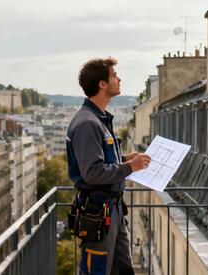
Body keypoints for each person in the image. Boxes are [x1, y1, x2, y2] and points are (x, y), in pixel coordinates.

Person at [66, 57, 151, 275]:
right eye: (114, 75)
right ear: (102, 84)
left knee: (121, 270)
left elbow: (101, 160)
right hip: (99, 211)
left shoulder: (98, 119)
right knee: (98, 270)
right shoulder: (88, 123)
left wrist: (123, 159)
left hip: (110, 211)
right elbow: (93, 172)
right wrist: (131, 166)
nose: (119, 78)